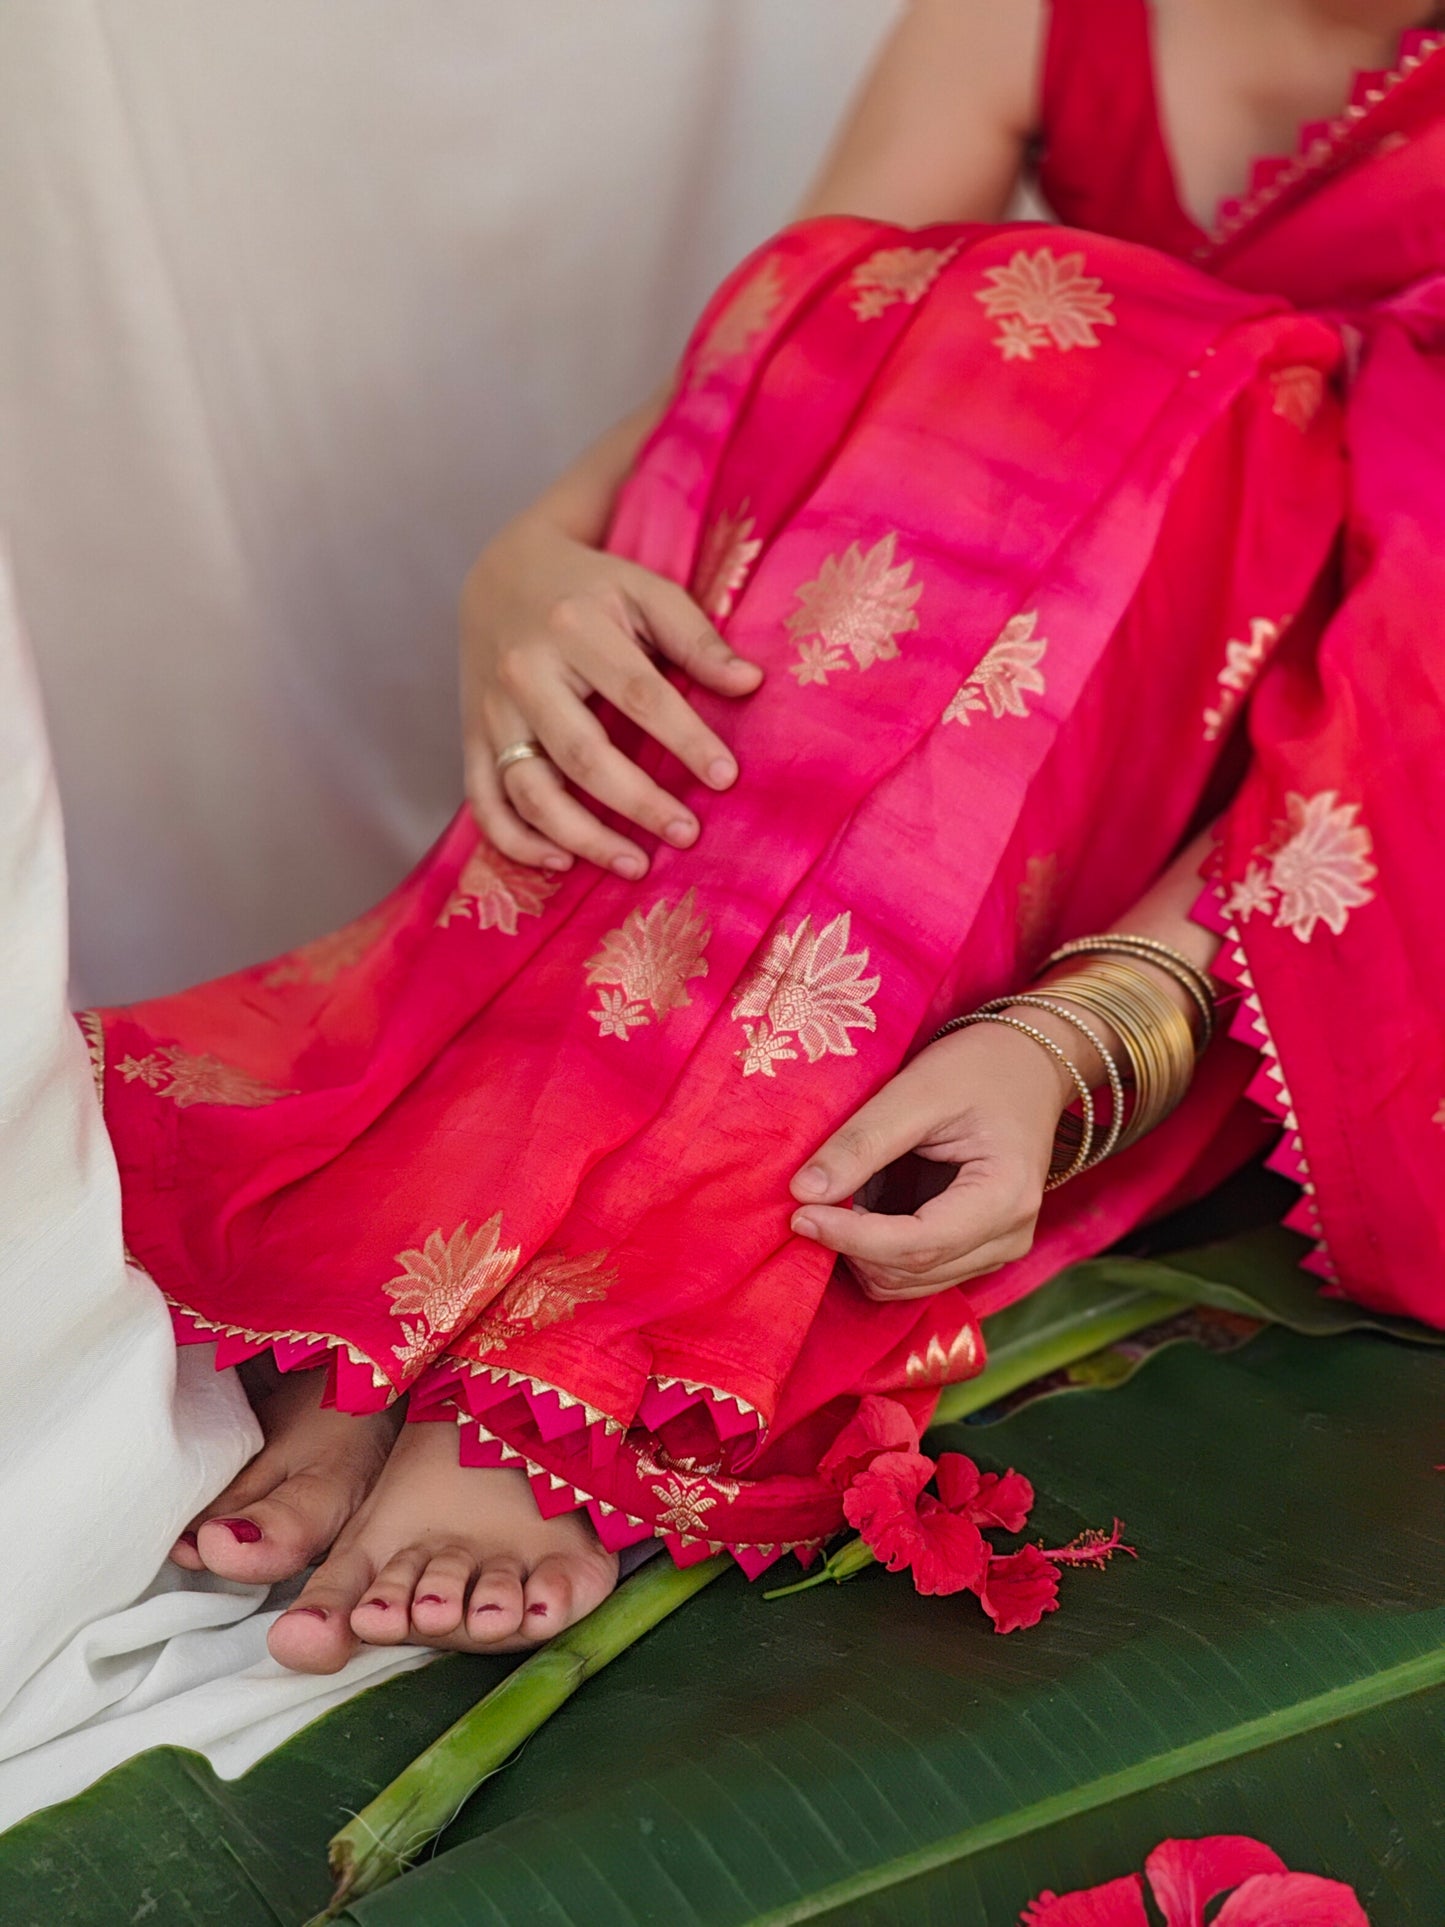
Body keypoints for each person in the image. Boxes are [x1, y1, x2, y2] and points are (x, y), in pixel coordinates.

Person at [89, 0, 1445, 1673]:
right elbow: (805, 342)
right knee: (944, 309)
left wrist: (1081, 1034)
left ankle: (542, 1333)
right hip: (1020, 714)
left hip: (1335, 833)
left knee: (1118, 359)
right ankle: (478, 1278)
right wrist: (531, 559)